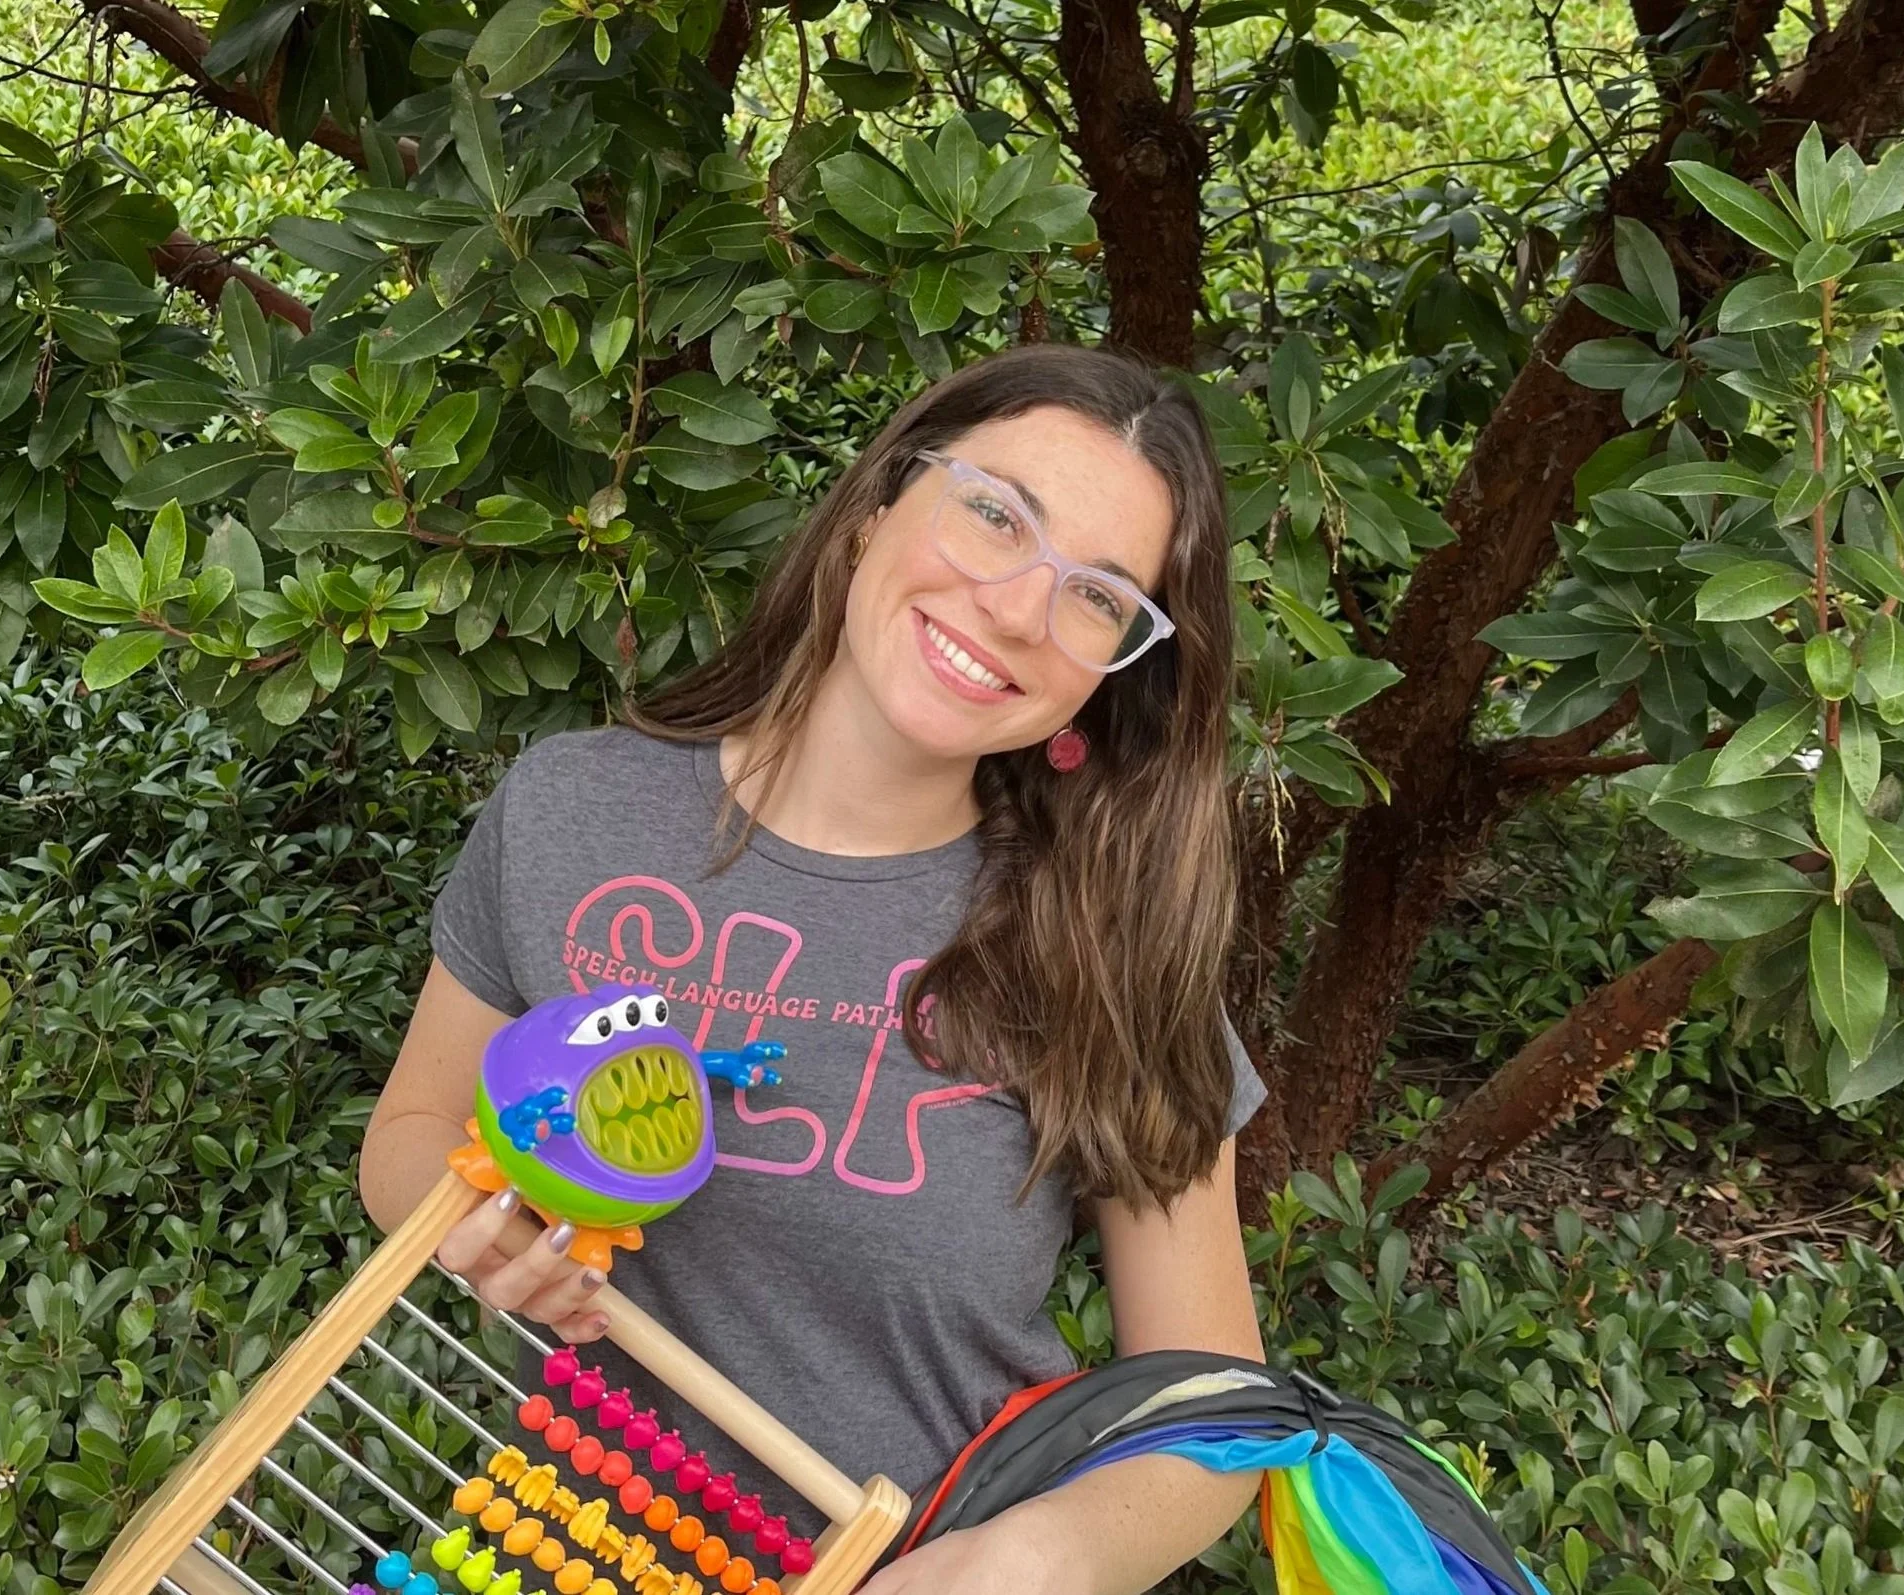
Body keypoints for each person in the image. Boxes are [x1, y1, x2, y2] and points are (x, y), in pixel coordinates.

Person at [361, 343, 1268, 1594]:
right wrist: (476, 1208)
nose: (1015, 607)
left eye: (1098, 597)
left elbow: (1214, 1405)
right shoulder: (573, 811)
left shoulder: (1100, 943)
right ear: (876, 506)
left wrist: (1019, 1562)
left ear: (1102, 680)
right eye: (994, 513)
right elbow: (410, 1126)